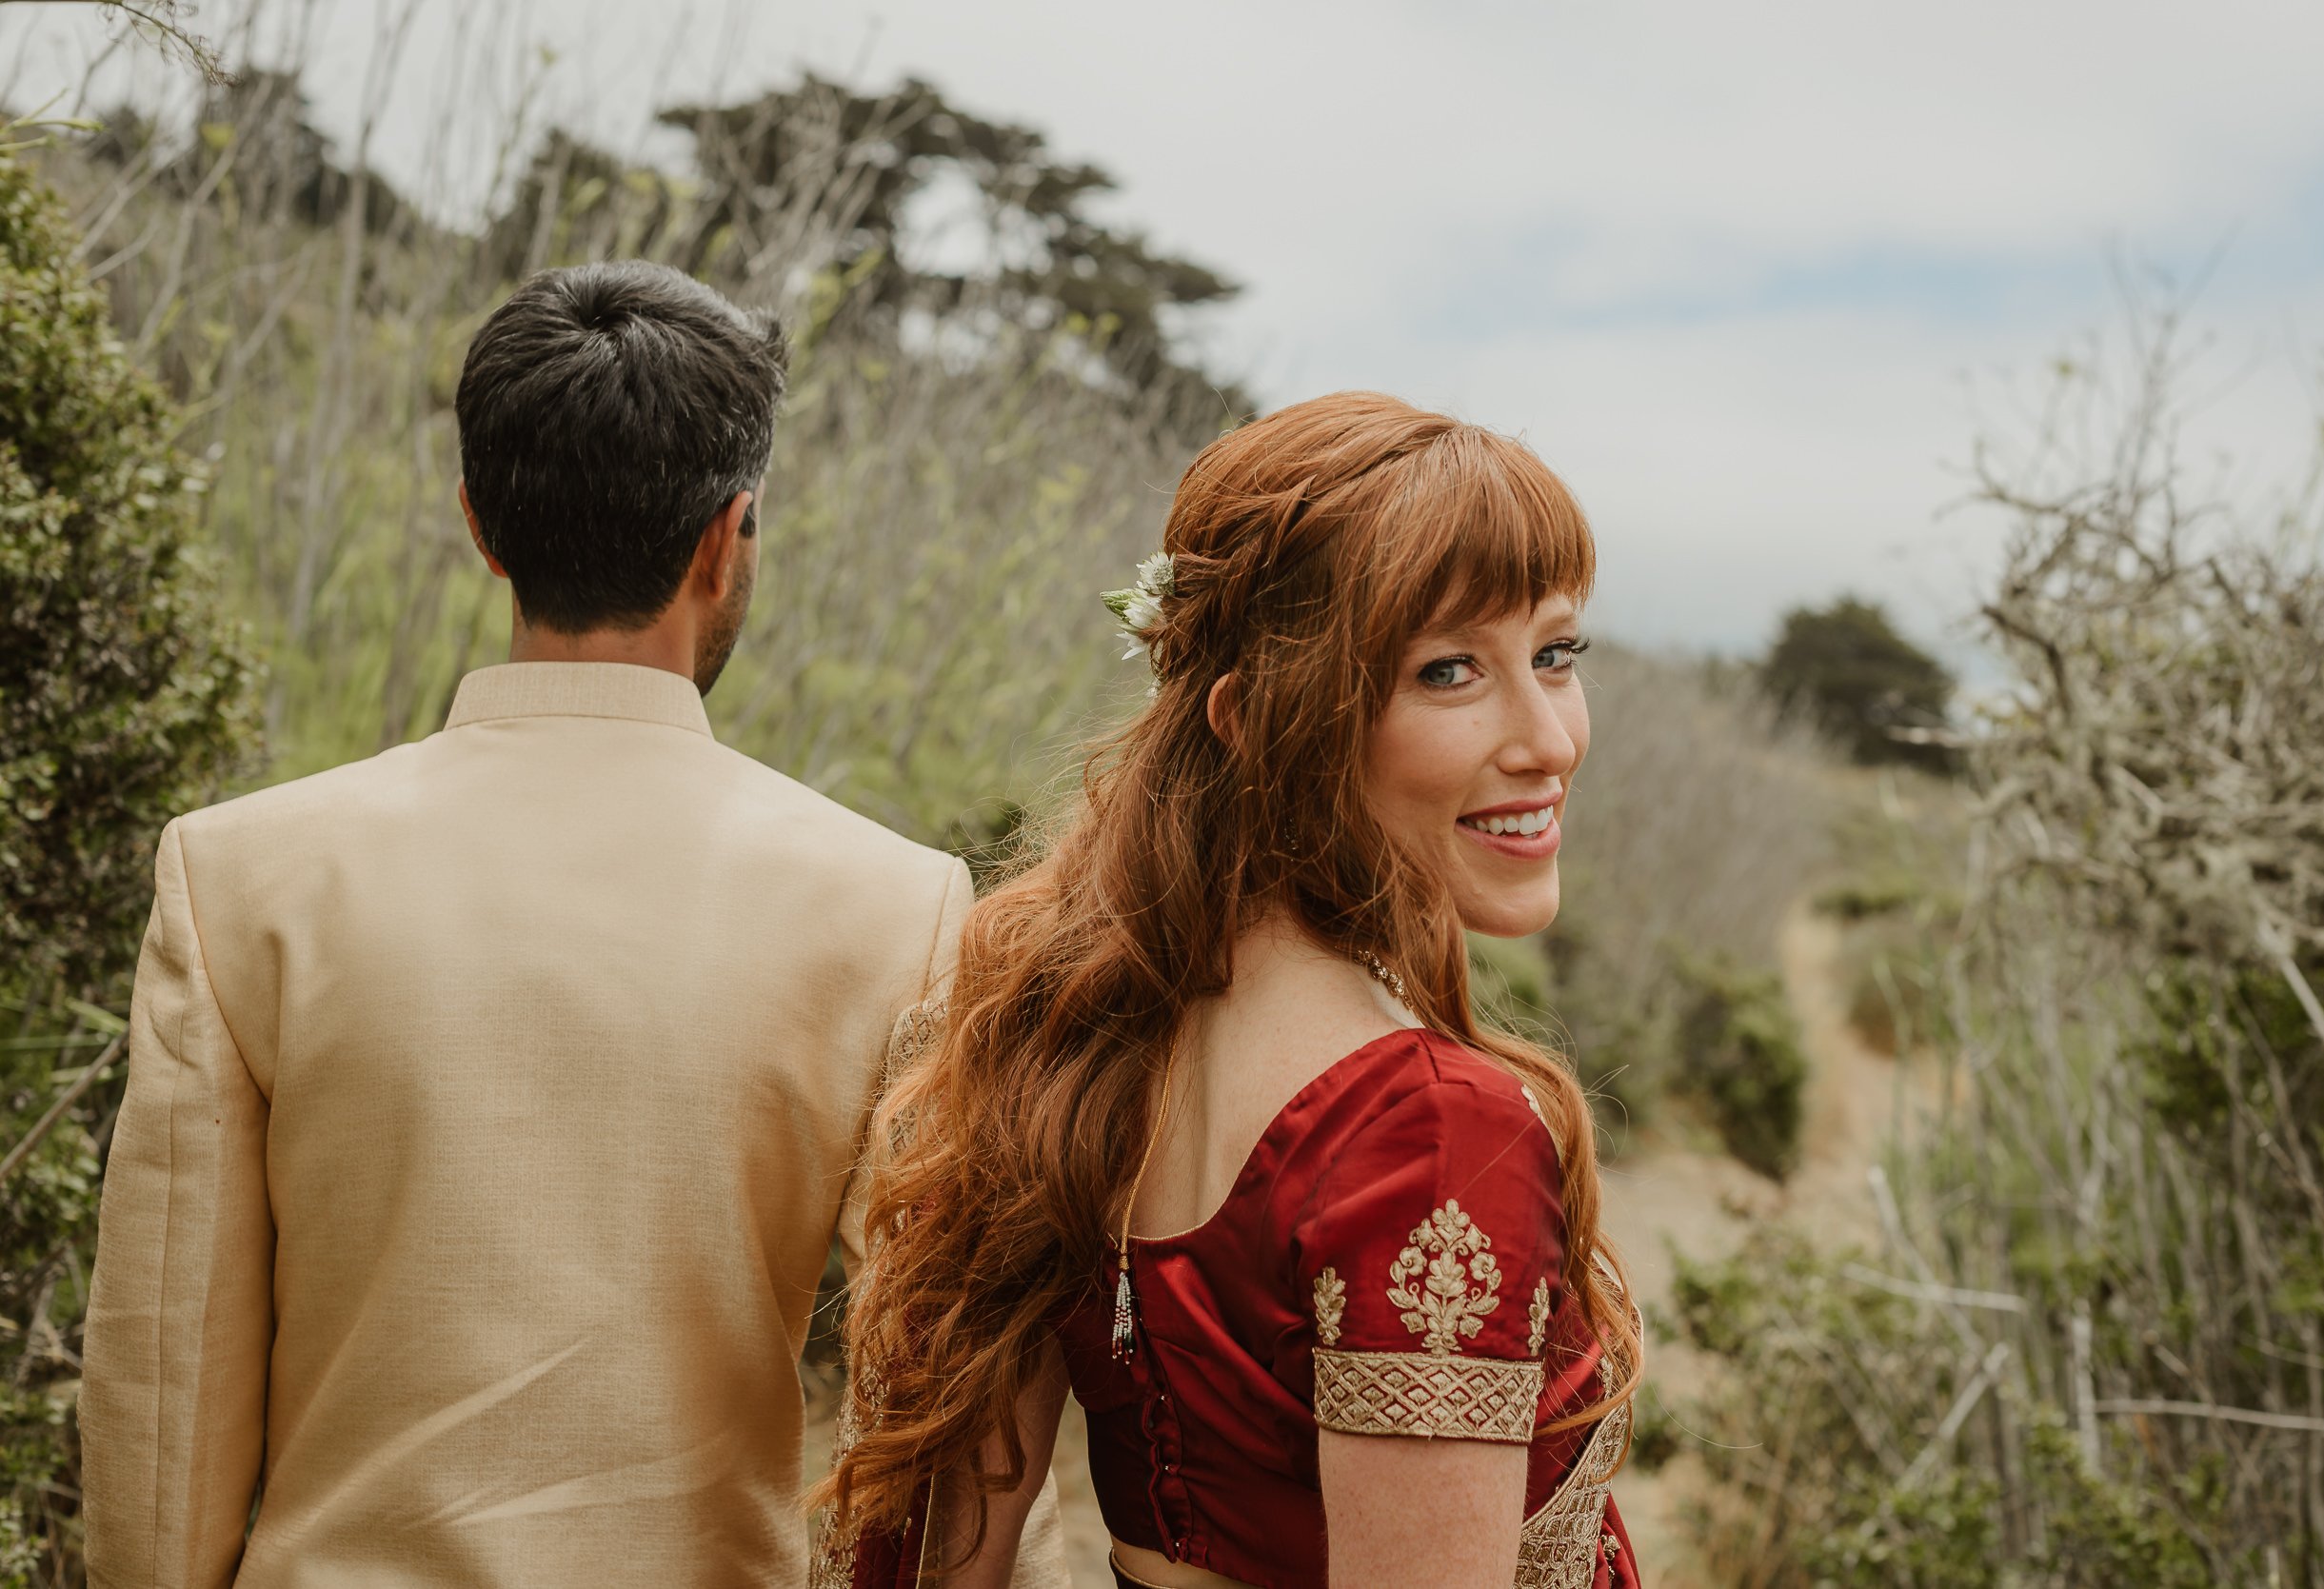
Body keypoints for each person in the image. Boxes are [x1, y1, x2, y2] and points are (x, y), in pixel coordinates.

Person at [78, 260, 1062, 1588]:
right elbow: (949, 1396)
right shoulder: (892, 903)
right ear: (729, 535)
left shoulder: (242, 875)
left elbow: (164, 1390)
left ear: (481, 525)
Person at [820, 391, 1644, 1589]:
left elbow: (923, 1563)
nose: (1549, 738)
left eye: (1557, 653)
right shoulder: (1423, 1130)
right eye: (1450, 670)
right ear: (1258, 718)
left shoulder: (1068, 1022)